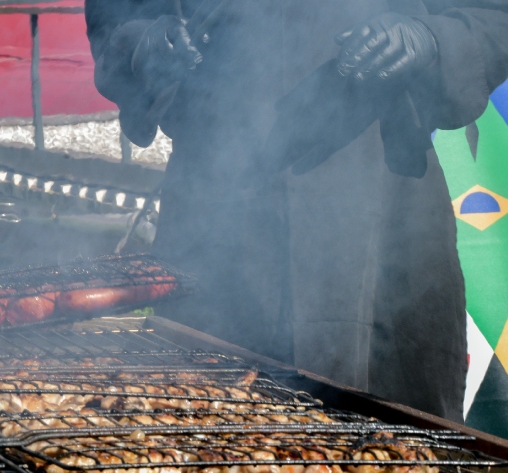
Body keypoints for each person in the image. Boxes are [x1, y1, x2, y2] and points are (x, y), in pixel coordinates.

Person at [85, 0, 508, 421]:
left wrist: (434, 38)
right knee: (201, 435)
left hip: (385, 206)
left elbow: (494, 16)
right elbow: (115, 17)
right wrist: (143, 44)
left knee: (396, 452)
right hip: (218, 209)